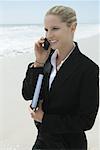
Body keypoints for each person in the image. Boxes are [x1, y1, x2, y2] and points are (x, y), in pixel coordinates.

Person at [22, 5, 99, 150]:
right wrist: (38, 62)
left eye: (55, 29)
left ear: (73, 27)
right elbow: (27, 94)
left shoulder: (88, 69)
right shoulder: (44, 61)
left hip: (69, 144)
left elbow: (86, 121)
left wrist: (45, 119)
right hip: (43, 140)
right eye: (46, 29)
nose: (49, 35)